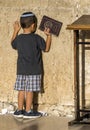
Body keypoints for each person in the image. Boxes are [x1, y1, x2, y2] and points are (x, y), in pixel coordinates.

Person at [11, 11, 52, 118]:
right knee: (30, 91)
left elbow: (13, 44)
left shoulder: (19, 38)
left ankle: (19, 110)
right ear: (33, 25)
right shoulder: (36, 38)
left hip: (21, 70)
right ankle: (28, 111)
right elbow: (46, 49)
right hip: (34, 70)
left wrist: (15, 31)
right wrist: (48, 36)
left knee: (21, 90)